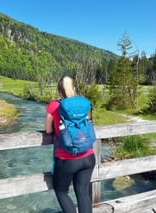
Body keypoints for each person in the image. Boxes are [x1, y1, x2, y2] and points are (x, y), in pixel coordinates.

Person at [45, 76, 95, 213]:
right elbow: (87, 121)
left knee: (61, 192)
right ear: (74, 87)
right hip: (88, 155)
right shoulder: (83, 104)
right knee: (83, 193)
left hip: (67, 159)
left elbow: (48, 130)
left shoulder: (54, 105)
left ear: (59, 90)